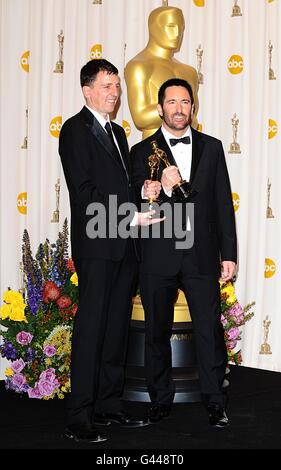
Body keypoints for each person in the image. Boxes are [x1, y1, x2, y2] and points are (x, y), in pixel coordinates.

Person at [59, 59, 162, 443]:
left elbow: (120, 187)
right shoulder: (74, 130)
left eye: (116, 85)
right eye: (106, 85)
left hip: (124, 245)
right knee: (92, 329)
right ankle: (78, 415)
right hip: (97, 244)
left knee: (117, 328)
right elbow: (84, 194)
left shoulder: (120, 133)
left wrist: (143, 192)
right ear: (87, 91)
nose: (115, 92)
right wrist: (131, 215)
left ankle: (107, 405)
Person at [131, 78, 237, 428]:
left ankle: (214, 401)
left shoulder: (213, 147)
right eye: (172, 102)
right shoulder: (140, 151)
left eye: (185, 102)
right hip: (158, 254)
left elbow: (223, 203)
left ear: (193, 107)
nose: (179, 108)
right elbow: (129, 210)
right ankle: (160, 399)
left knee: (209, 330)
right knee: (156, 332)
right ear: (160, 108)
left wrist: (229, 253)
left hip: (201, 254)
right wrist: (151, 193)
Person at [125, 5, 199, 140]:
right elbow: (140, 117)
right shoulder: (139, 66)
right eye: (171, 27)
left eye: (180, 28)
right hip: (154, 149)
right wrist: (180, 112)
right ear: (153, 28)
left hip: (190, 150)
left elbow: (193, 118)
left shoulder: (190, 72)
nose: (177, 33)